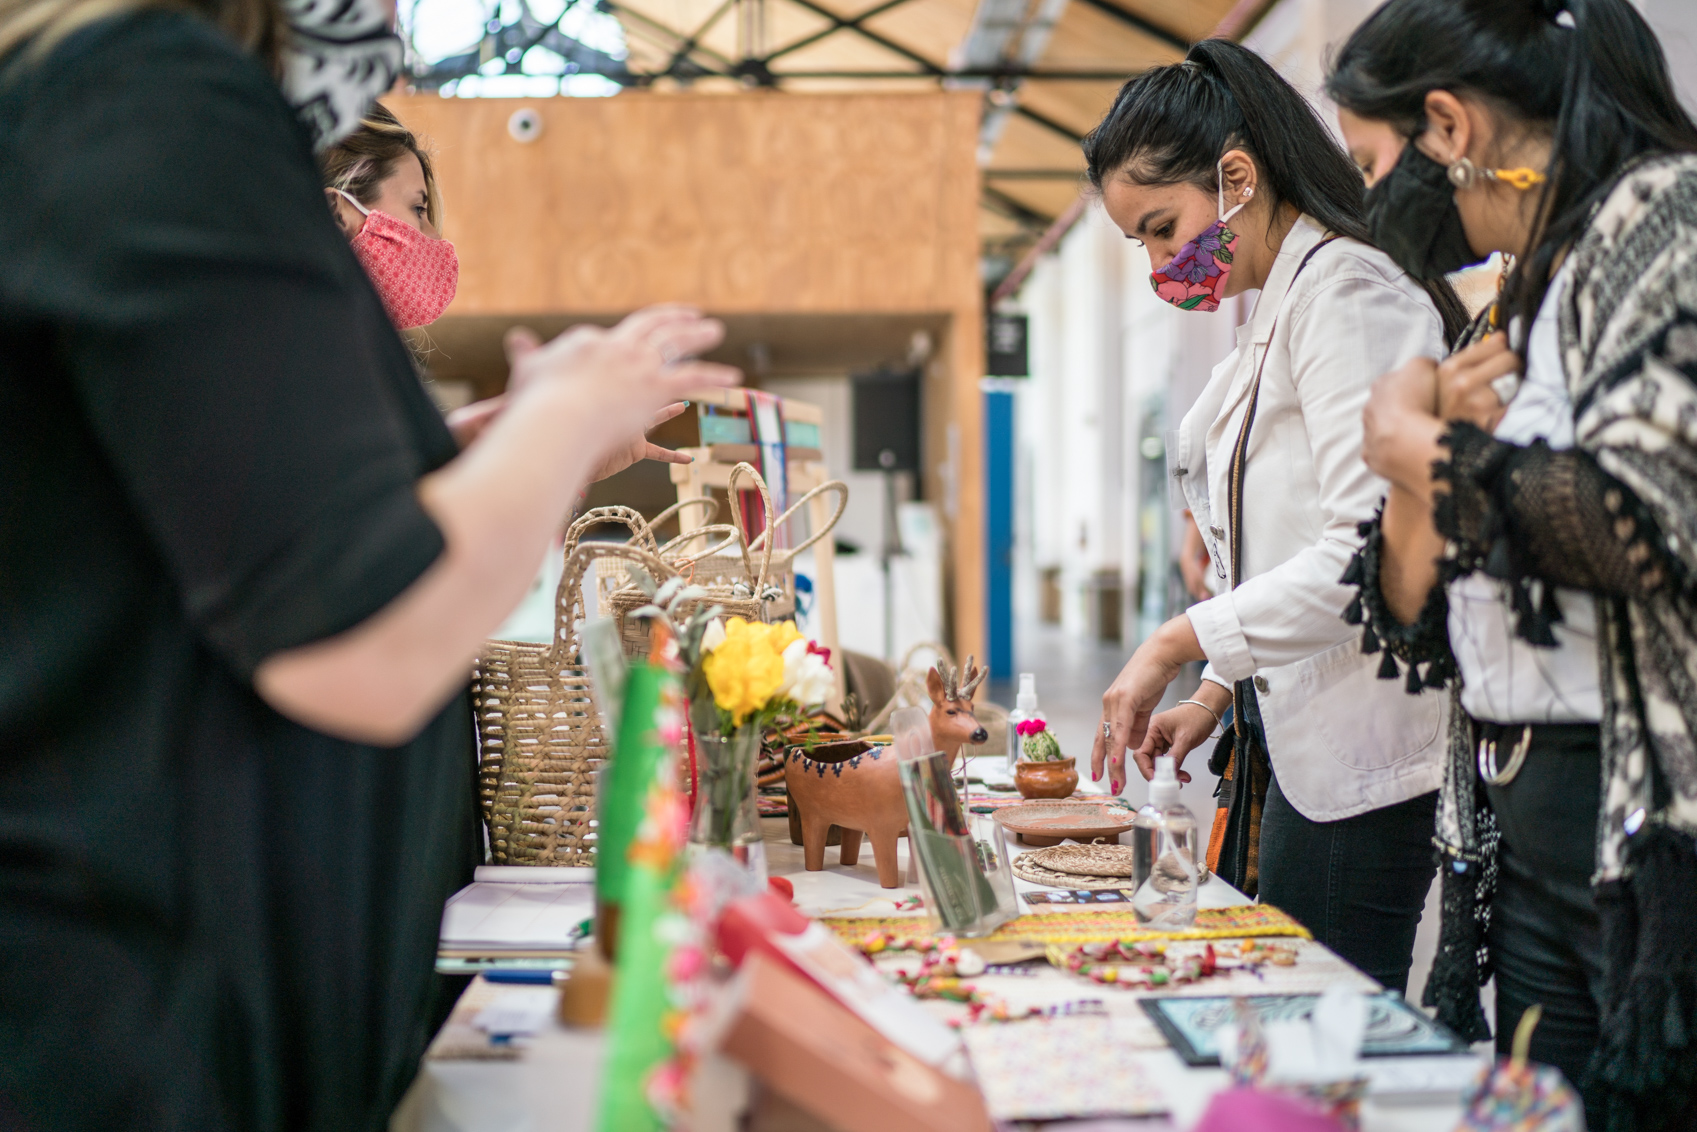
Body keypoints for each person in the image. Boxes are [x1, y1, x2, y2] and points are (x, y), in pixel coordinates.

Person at [0, 0, 737, 1127]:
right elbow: (356, 636)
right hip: (137, 1012)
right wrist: (572, 406)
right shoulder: (154, 94)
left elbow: (198, 514)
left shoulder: (134, 112)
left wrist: (471, 457)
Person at [1327, 0, 1697, 1124]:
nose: (1391, 201)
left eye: (1378, 161)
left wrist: (1419, 447)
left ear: (1446, 124)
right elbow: (1415, 618)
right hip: (1518, 826)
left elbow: (1643, 520)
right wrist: (1410, 472)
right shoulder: (1524, 287)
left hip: (1630, 827)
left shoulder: (1660, 216)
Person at [1084, 38, 1469, 995]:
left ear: (1237, 177)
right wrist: (1216, 690)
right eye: (1140, 243)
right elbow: (1276, 551)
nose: (1160, 264)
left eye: (1163, 227)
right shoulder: (1279, 306)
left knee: (1317, 1018)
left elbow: (1367, 556)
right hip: (1287, 732)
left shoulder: (1347, 291)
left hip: (1363, 755)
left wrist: (1175, 640)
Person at [317, 104, 696, 458]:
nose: (434, 238)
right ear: (336, 215)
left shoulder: (361, 358)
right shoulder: (305, 364)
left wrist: (565, 462)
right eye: (418, 208)